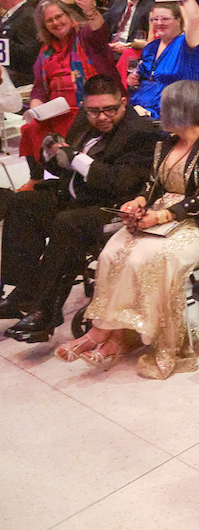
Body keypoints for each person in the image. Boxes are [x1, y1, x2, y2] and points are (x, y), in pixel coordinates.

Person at [55, 80, 199, 378]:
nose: (160, 112)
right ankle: (114, 335)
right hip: (167, 211)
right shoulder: (166, 142)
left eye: (166, 107)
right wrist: (140, 202)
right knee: (113, 252)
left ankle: (107, 335)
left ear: (181, 111)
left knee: (150, 259)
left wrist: (160, 217)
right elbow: (154, 183)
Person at [0, 75, 158, 343]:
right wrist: (51, 154)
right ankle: (26, 290)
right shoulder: (84, 120)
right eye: (94, 110)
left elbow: (120, 183)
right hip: (75, 197)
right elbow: (62, 167)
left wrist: (76, 158)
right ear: (85, 106)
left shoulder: (140, 132)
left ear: (123, 102)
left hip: (112, 207)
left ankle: (45, 312)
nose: (102, 117)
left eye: (109, 109)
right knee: (22, 203)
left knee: (68, 222)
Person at [20, 0, 123, 168]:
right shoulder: (46, 51)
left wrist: (90, 11)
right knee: (29, 128)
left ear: (69, 15)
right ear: (44, 26)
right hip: (56, 113)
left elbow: (99, 32)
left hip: (88, 110)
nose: (56, 22)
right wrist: (35, 112)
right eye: (49, 20)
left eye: (59, 16)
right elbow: (38, 89)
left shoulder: (85, 37)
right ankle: (37, 179)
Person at [127, 0, 199, 119]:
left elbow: (195, 18)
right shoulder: (151, 47)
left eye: (165, 19)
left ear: (178, 20)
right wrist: (133, 79)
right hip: (140, 106)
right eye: (155, 19)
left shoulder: (186, 44)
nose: (159, 23)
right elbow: (142, 77)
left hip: (174, 111)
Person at [0, 0, 39, 86]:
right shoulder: (12, 14)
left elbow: (30, 53)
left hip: (21, 80)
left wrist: (5, 43)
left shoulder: (27, 16)